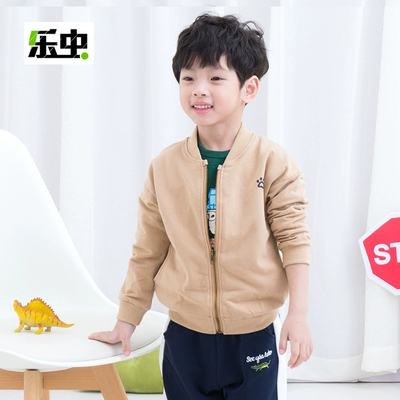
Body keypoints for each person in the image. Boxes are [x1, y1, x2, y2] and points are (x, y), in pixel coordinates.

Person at [89, 13, 313, 400]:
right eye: (188, 78)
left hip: (253, 333)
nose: (198, 90)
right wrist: (127, 319)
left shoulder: (272, 162)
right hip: (184, 334)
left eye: (215, 78)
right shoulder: (164, 167)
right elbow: (148, 250)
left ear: (249, 88)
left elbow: (294, 241)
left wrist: (299, 315)